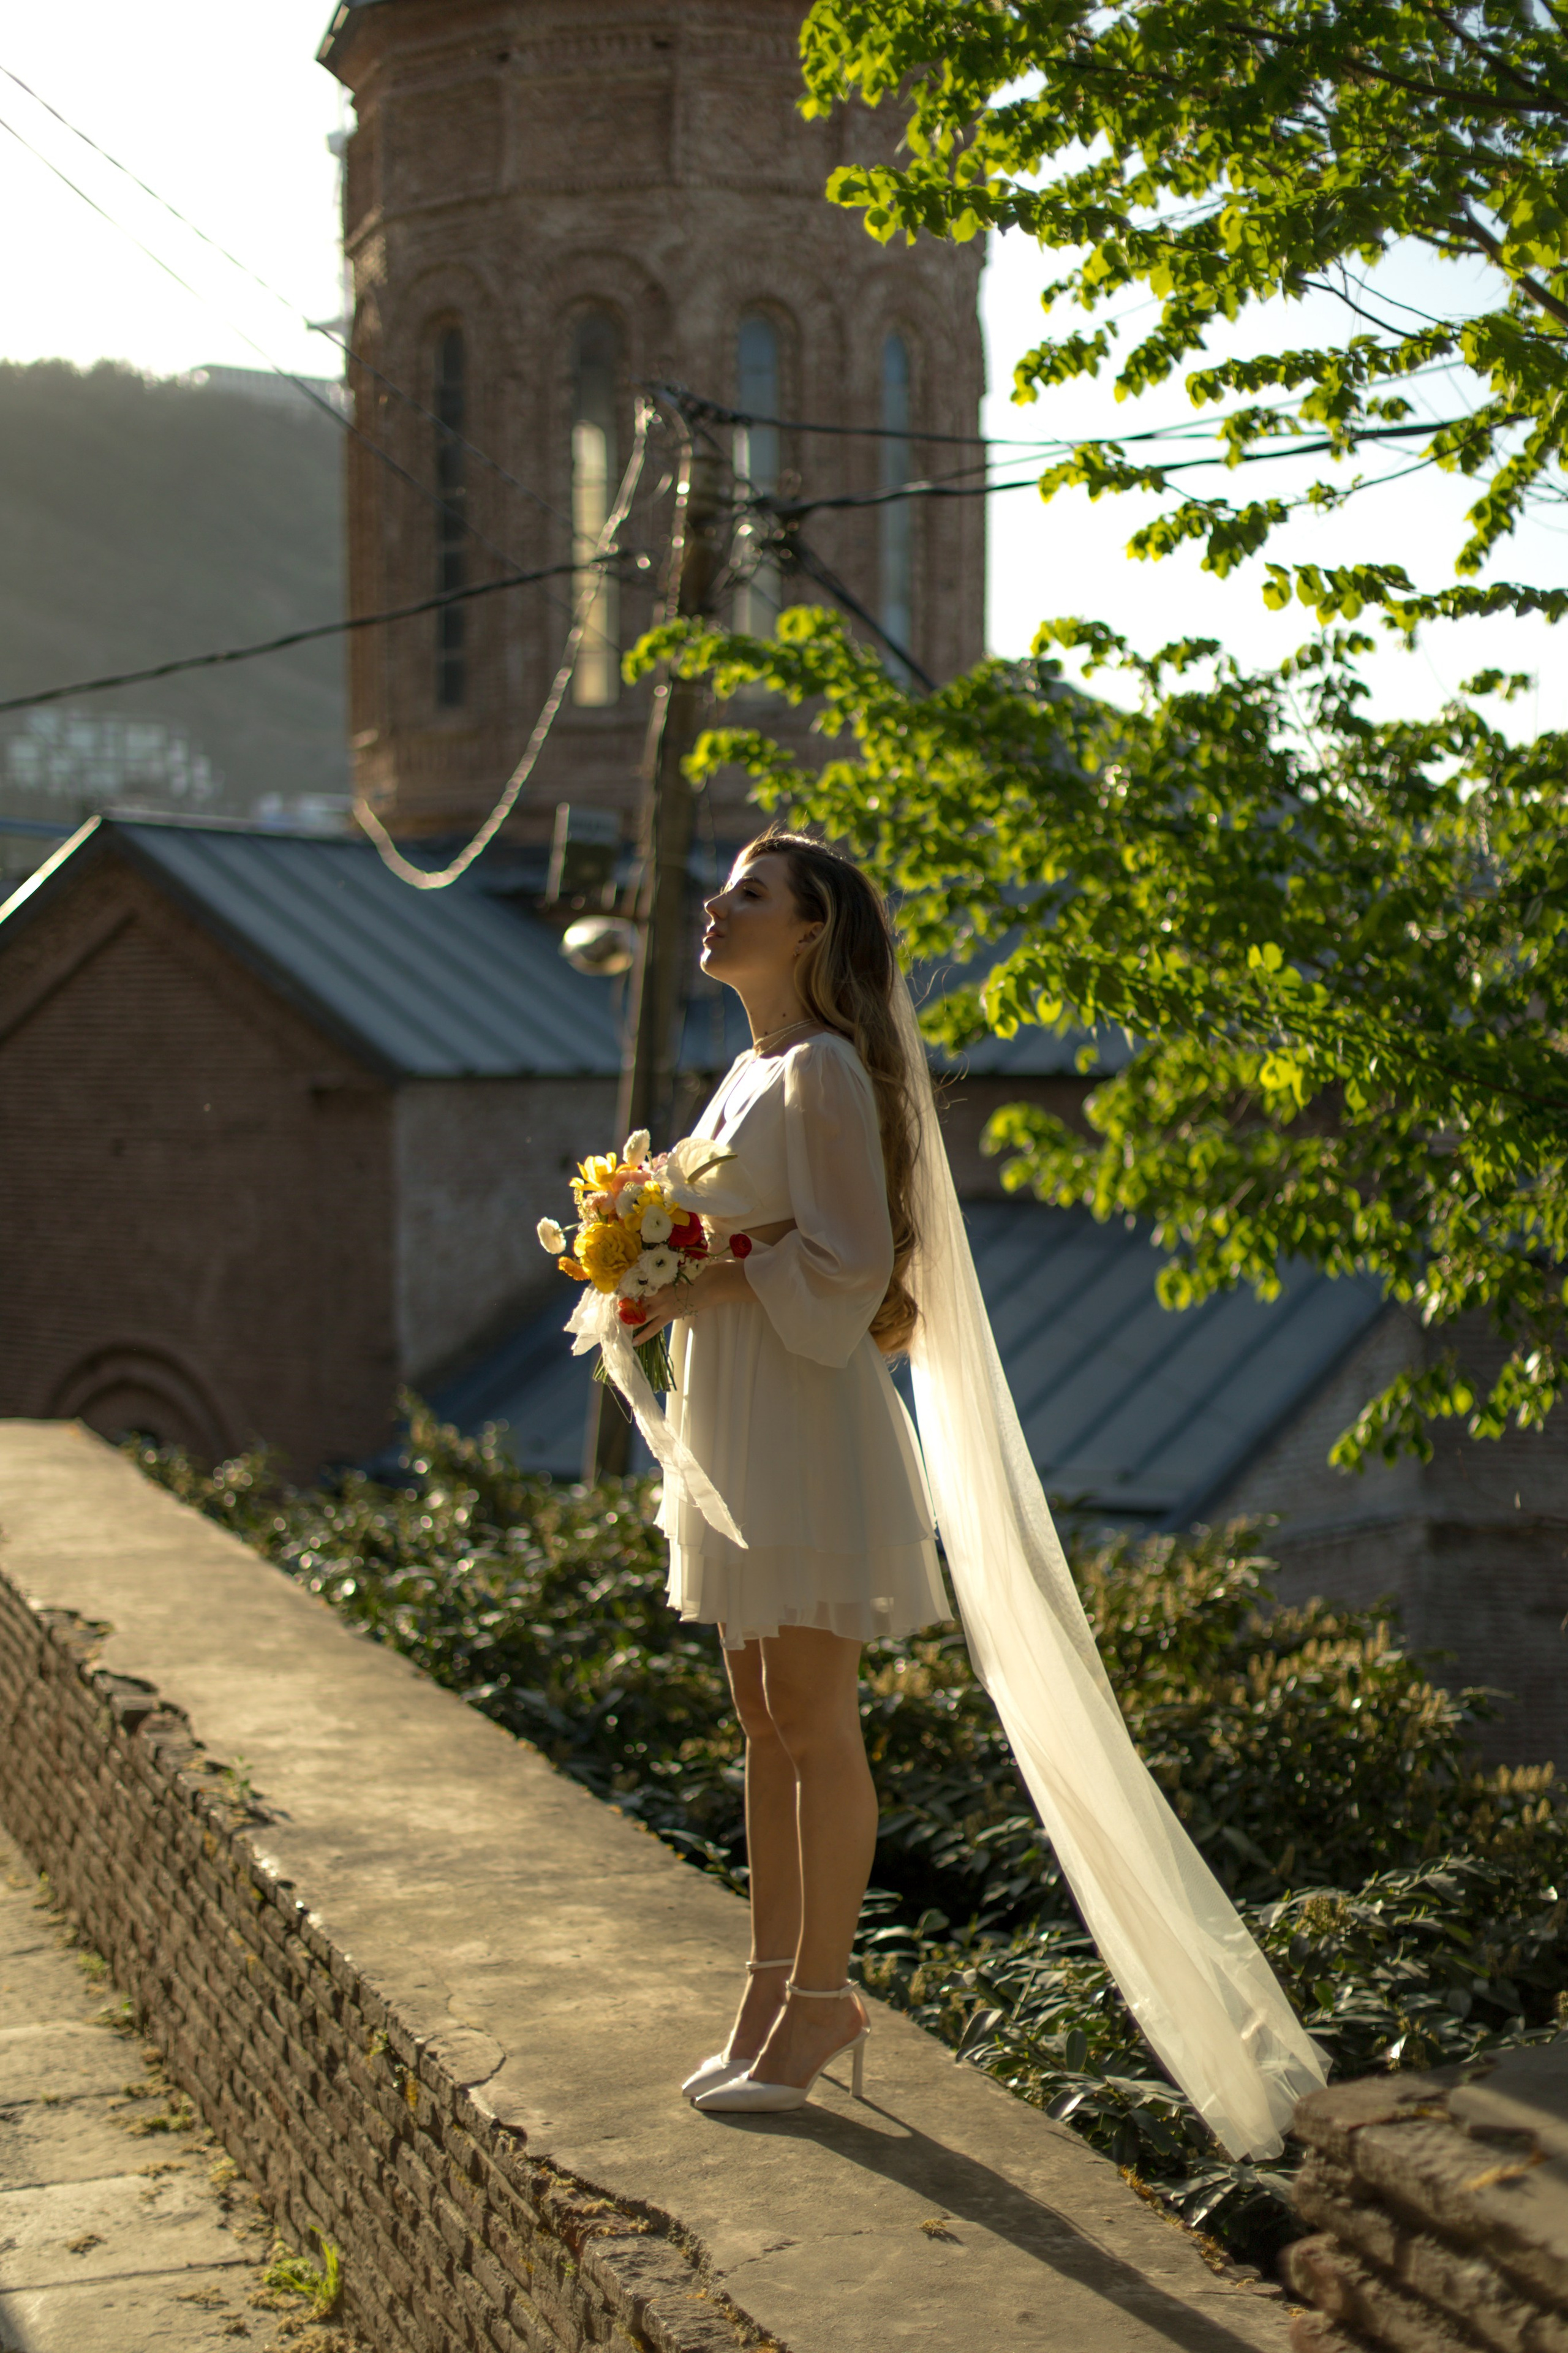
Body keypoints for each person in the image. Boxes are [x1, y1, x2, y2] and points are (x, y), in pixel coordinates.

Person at [605, 828, 1327, 2151]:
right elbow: (743, 1238)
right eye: (720, 888)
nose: (712, 905)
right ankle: (767, 1989)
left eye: (748, 894)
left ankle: (820, 2001)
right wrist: (650, 1269)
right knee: (761, 1719)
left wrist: (695, 1278)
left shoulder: (821, 1068)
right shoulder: (743, 1070)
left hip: (804, 1426)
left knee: (815, 1722)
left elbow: (846, 1266)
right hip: (736, 1417)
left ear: (811, 928)